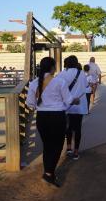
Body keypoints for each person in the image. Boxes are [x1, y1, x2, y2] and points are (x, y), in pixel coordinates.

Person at [26, 57, 79, 187]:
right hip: (57, 117)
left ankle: (48, 172)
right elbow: (68, 100)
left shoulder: (33, 83)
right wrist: (75, 100)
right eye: (55, 66)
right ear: (52, 68)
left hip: (42, 118)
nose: (56, 68)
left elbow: (30, 103)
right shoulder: (59, 82)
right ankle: (49, 174)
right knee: (57, 146)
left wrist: (42, 106)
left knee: (47, 146)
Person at [57, 55, 88, 160]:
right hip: (79, 105)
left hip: (66, 106)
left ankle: (69, 148)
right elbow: (85, 87)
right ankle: (76, 152)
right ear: (76, 63)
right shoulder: (82, 73)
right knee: (78, 128)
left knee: (68, 127)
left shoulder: (62, 74)